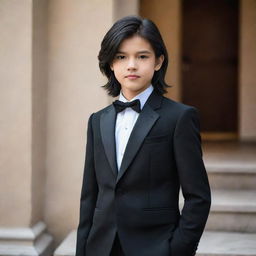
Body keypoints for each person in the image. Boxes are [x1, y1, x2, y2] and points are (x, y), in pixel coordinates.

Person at [76, 15, 211, 256]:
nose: (131, 65)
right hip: (101, 246)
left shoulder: (179, 118)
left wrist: (177, 250)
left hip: (154, 246)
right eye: (121, 56)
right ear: (110, 63)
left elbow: (198, 197)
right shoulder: (97, 121)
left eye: (142, 56)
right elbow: (90, 197)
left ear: (158, 61)